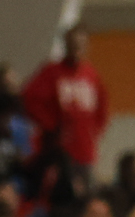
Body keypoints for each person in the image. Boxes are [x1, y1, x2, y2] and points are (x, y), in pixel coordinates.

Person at [19, 25, 109, 186]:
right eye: (72, 45)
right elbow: (29, 99)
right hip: (57, 150)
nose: (76, 49)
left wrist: (93, 132)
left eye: (80, 45)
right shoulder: (51, 72)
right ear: (66, 45)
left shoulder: (91, 75)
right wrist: (50, 124)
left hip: (84, 150)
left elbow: (102, 108)